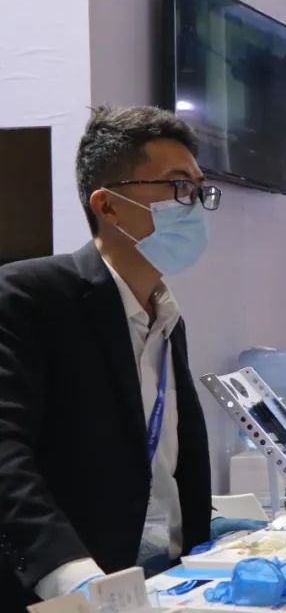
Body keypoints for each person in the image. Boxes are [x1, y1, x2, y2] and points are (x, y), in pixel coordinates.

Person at [0, 106, 253, 605]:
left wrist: (204, 529)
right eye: (178, 186)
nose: (194, 205)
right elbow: (6, 454)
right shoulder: (29, 297)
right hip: (68, 594)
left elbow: (157, 462)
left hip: (165, 584)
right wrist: (67, 573)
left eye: (200, 189)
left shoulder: (166, 318)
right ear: (109, 206)